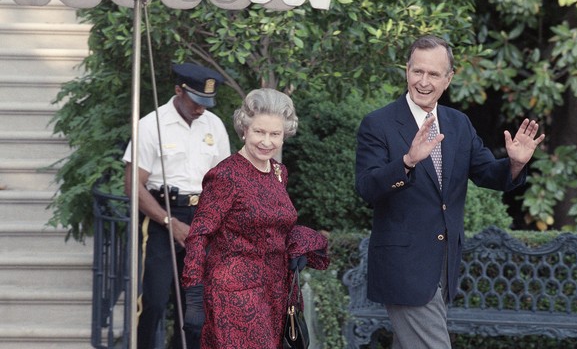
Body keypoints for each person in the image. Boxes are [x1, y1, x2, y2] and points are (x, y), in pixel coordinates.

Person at [355, 35, 545, 349]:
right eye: (418, 71)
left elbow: (486, 172)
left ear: (449, 79)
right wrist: (406, 162)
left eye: (433, 74)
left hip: (444, 267)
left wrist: (513, 163)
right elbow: (367, 187)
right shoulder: (378, 124)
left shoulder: (459, 124)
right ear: (407, 71)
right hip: (404, 268)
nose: (424, 81)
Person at [181, 88, 330, 349]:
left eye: (275, 134)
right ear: (244, 130)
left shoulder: (279, 172)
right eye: (259, 132)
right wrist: (194, 295)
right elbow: (199, 234)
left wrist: (298, 246)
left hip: (274, 292)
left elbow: (277, 223)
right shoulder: (226, 175)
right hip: (234, 294)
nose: (266, 141)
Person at [123, 62, 231, 349]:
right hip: (162, 217)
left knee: (196, 311)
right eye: (196, 101)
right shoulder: (151, 125)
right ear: (178, 90)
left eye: (206, 102)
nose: (201, 108)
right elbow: (134, 186)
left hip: (202, 218)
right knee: (154, 304)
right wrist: (171, 224)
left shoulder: (214, 125)